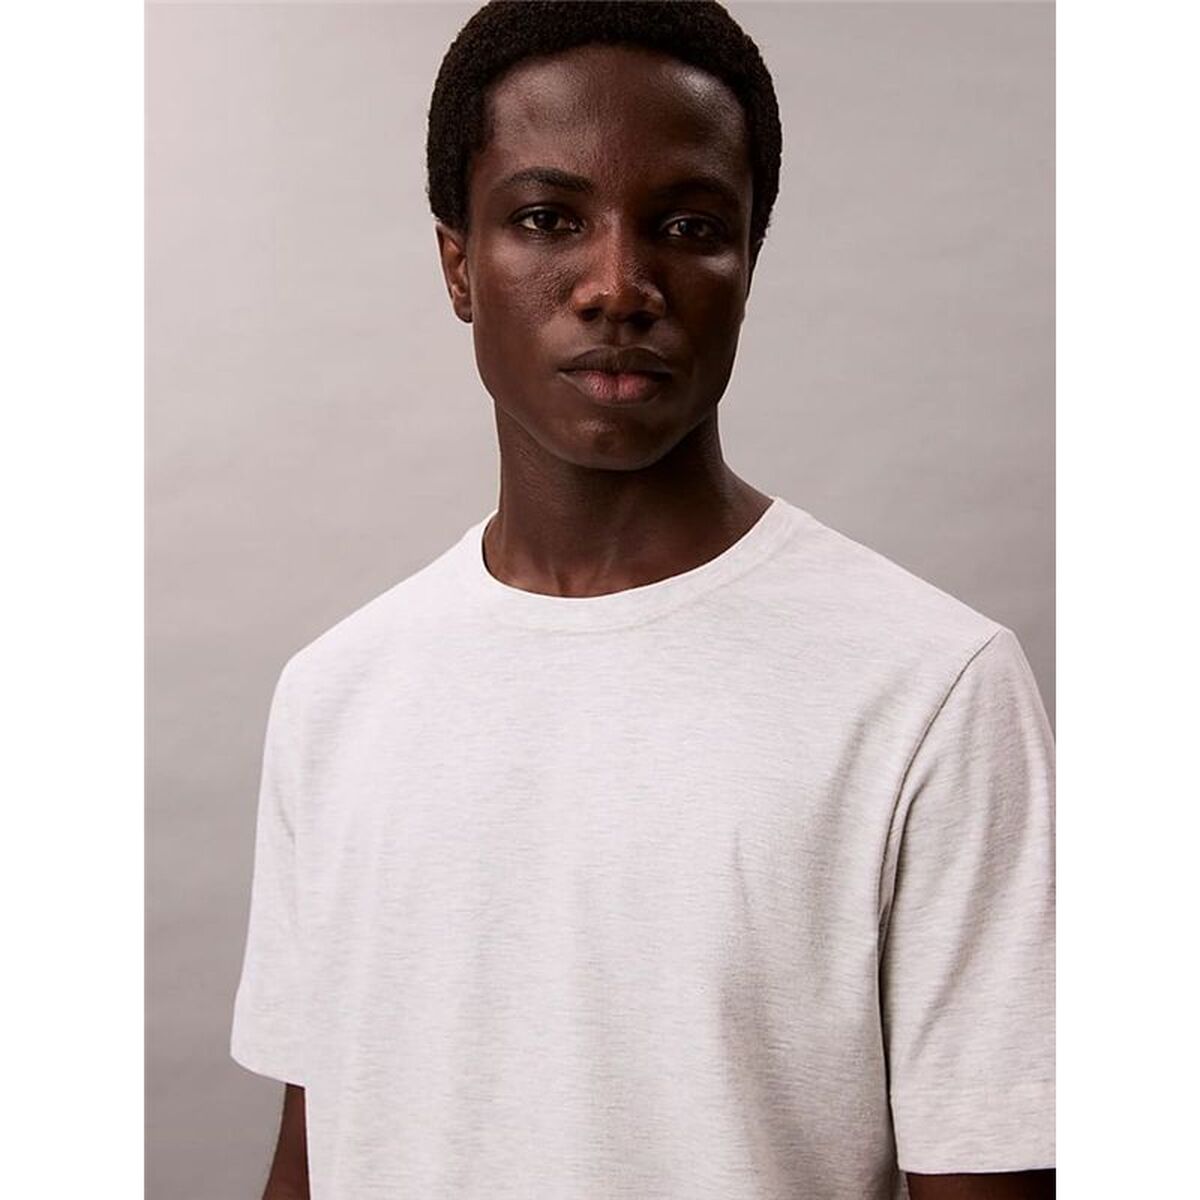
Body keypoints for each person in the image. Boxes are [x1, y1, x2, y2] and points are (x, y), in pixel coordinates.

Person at [230, 3, 1055, 1198]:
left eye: (687, 226)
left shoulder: (931, 691)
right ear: (460, 263)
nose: (619, 285)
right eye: (547, 218)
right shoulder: (335, 694)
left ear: (747, 266)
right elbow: (314, 1156)